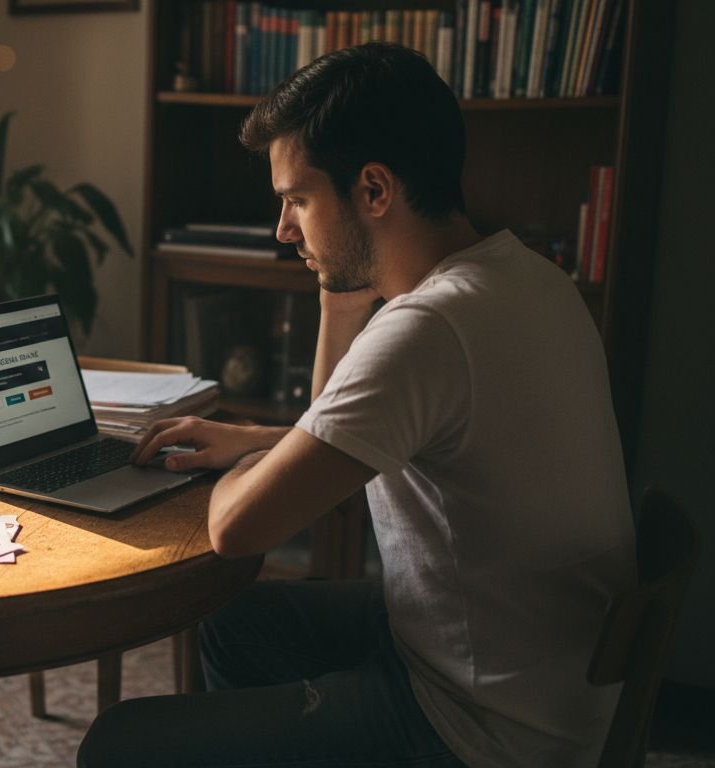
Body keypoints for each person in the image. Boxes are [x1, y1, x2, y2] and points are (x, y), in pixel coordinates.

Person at [77, 43, 635, 768]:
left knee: (117, 745)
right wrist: (264, 427)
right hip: (536, 670)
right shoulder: (527, 276)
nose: (283, 230)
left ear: (374, 190)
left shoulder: (426, 330)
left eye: (297, 199)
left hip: (476, 728)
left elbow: (235, 529)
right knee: (235, 626)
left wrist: (250, 463)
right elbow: (369, 428)